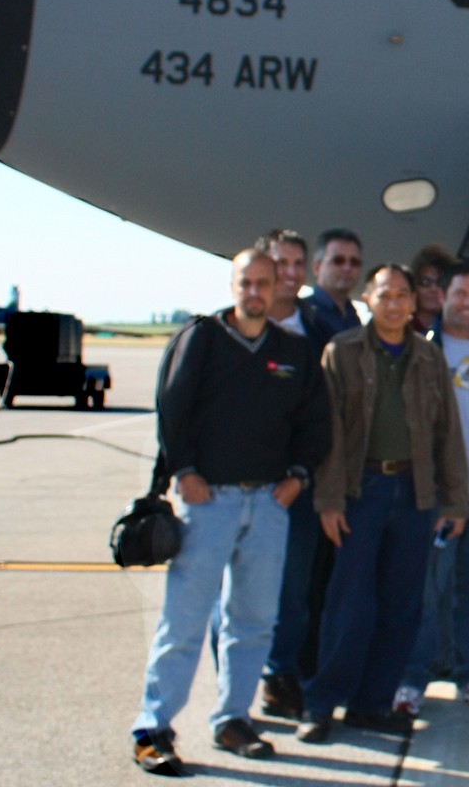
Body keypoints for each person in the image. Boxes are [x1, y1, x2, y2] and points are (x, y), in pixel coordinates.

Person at [131, 251, 330, 775]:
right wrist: (187, 471)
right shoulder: (204, 338)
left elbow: (315, 422)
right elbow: (173, 408)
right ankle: (153, 728)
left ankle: (233, 719)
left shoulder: (294, 351)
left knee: (254, 622)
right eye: (247, 282)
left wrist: (297, 477)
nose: (255, 292)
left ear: (280, 285)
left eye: (265, 283)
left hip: (268, 503)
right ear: (234, 283)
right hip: (209, 500)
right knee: (186, 620)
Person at [297, 265, 469, 743]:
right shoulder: (343, 352)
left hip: (414, 494)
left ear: (415, 302)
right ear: (367, 300)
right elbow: (328, 434)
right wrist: (329, 499)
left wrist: (455, 500)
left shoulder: (430, 358)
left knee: (401, 607)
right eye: (384, 295)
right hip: (361, 492)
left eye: (401, 296)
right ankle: (321, 704)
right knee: (347, 604)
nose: (393, 304)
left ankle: (371, 704)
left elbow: (447, 433)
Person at [394, 260, 469, 715]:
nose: (467, 303)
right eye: (459, 293)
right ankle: (411, 679)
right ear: (442, 297)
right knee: (427, 591)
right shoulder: (422, 351)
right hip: (439, 500)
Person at [251, 229, 341, 724]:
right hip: (242, 485)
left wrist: (305, 473)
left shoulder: (317, 330)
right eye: (279, 263)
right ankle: (240, 683)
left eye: (296, 264)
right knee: (242, 593)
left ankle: (280, 676)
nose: (289, 272)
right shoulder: (226, 329)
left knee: (295, 593)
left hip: (298, 486)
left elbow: (322, 412)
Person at [309, 229, 366, 336]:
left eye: (354, 262)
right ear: (316, 267)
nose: (347, 268)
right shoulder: (301, 313)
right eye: (338, 261)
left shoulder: (353, 316)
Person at [410, 243, 455, 335]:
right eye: (425, 282)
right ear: (414, 287)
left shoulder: (457, 334)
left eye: (440, 282)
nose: (433, 289)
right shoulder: (401, 331)